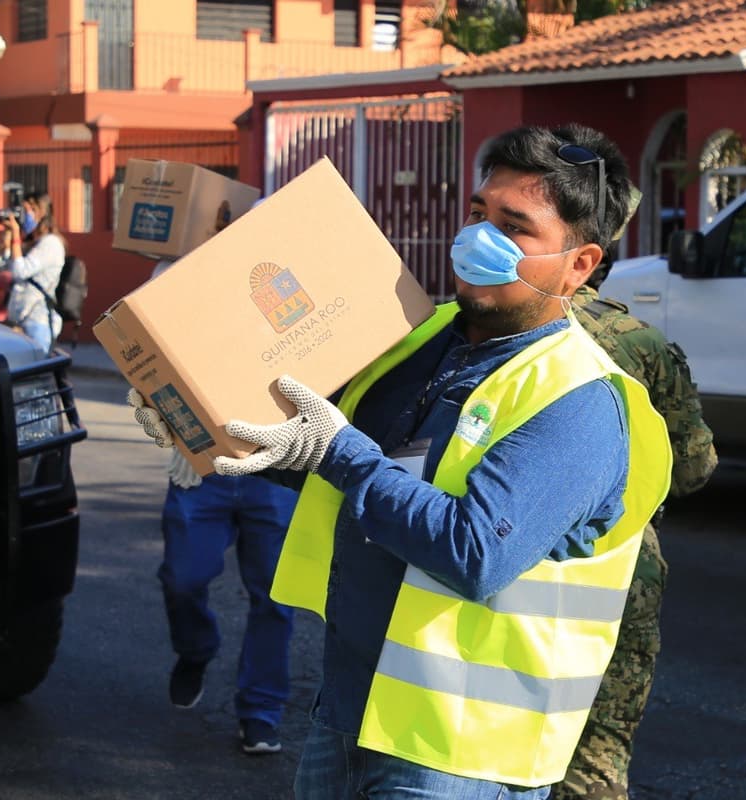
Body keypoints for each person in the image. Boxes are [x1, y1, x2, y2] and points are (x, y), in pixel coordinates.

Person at [131, 123, 672, 799]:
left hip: (459, 753)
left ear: (579, 264)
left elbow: (474, 550)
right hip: (350, 708)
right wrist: (207, 436)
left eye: (515, 226)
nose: (481, 237)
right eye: (478, 213)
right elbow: (333, 457)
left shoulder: (579, 399)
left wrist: (339, 449)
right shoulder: (418, 338)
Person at [553, 252, 718, 800]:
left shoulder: (463, 324)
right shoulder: (640, 341)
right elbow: (693, 469)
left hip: (487, 555)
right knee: (593, 763)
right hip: (618, 566)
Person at [137, 259, 298, 756]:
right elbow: (143, 351)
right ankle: (196, 649)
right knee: (182, 579)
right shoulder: (177, 273)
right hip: (200, 467)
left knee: (274, 597)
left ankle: (260, 710)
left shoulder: (282, 276)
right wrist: (146, 400)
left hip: (275, 466)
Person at [2, 191, 65, 353]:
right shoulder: (33, 243)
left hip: (37, 323)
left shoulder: (51, 244)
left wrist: (16, 236)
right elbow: (2, 265)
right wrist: (8, 237)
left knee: (36, 376)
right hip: (19, 321)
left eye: (27, 211)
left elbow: (19, 271)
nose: (23, 217)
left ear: (41, 212)